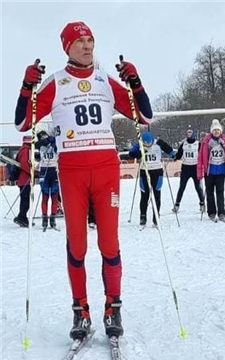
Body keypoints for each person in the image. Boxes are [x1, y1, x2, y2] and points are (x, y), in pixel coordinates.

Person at [14, 21, 153, 340]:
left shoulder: (105, 79)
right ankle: (81, 310)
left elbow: (144, 117)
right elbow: (23, 122)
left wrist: (135, 82)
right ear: (67, 47)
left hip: (106, 170)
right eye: (80, 42)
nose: (87, 46)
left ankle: (112, 307)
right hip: (72, 172)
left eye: (90, 40)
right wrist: (27, 86)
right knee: (77, 244)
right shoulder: (56, 82)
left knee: (109, 242)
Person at [129, 131, 175, 227]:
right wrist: (140, 153)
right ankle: (143, 216)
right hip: (144, 172)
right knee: (144, 195)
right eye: (146, 143)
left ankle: (156, 217)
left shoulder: (158, 143)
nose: (147, 145)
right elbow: (131, 154)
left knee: (156, 195)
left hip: (157, 172)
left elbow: (170, 151)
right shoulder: (140, 144)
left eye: (149, 143)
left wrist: (173, 155)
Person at [197, 119, 225, 222]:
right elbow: (200, 157)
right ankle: (211, 212)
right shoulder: (206, 141)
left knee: (220, 192)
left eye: (218, 130)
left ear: (221, 131)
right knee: (209, 192)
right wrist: (200, 173)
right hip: (209, 171)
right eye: (214, 130)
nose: (216, 132)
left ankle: (221, 212)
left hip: (220, 170)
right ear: (211, 131)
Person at [173, 129, 205, 213]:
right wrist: (174, 157)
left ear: (193, 134)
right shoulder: (184, 144)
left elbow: (202, 154)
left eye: (190, 133)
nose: (189, 135)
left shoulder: (198, 144)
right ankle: (177, 204)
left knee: (198, 187)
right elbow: (179, 155)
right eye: (188, 133)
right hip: (185, 167)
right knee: (182, 187)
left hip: (195, 167)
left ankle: (202, 204)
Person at [35, 130, 60, 229]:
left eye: (45, 136)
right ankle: (44, 219)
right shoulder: (39, 145)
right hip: (44, 171)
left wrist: (53, 139)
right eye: (42, 137)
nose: (44, 138)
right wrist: (45, 141)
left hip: (54, 170)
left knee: (54, 196)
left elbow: (58, 145)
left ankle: (53, 219)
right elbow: (35, 147)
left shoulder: (54, 142)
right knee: (45, 196)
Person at [13, 135, 33, 228]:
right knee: (26, 201)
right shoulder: (26, 150)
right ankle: (21, 217)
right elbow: (25, 164)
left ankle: (23, 218)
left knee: (25, 200)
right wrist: (32, 172)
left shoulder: (23, 149)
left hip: (23, 179)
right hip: (25, 179)